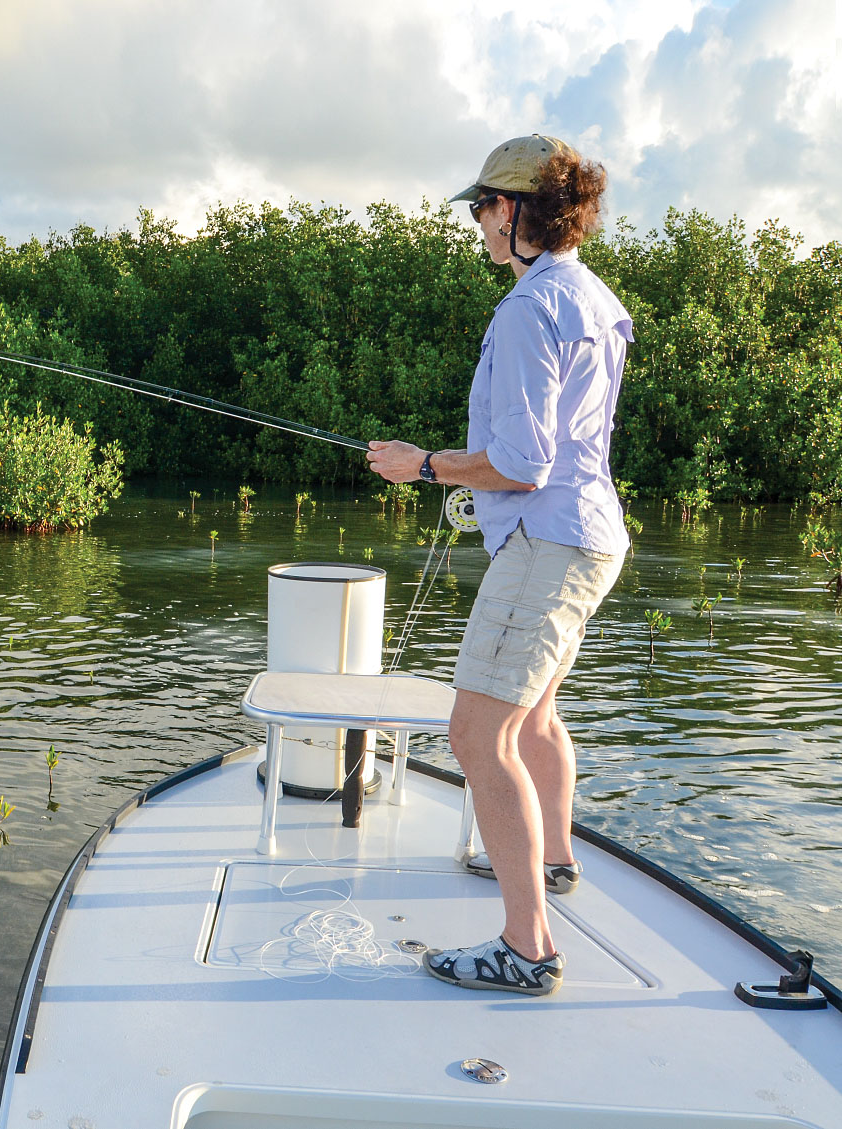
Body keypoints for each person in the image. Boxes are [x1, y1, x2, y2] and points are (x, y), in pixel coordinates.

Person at [365, 134, 632, 996]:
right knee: (536, 715)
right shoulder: (594, 297)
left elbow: (520, 461)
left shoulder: (525, 308)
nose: (476, 223)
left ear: (516, 212)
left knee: (477, 732)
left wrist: (425, 464)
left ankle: (526, 947)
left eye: (482, 207)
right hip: (591, 535)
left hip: (548, 542)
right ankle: (551, 862)